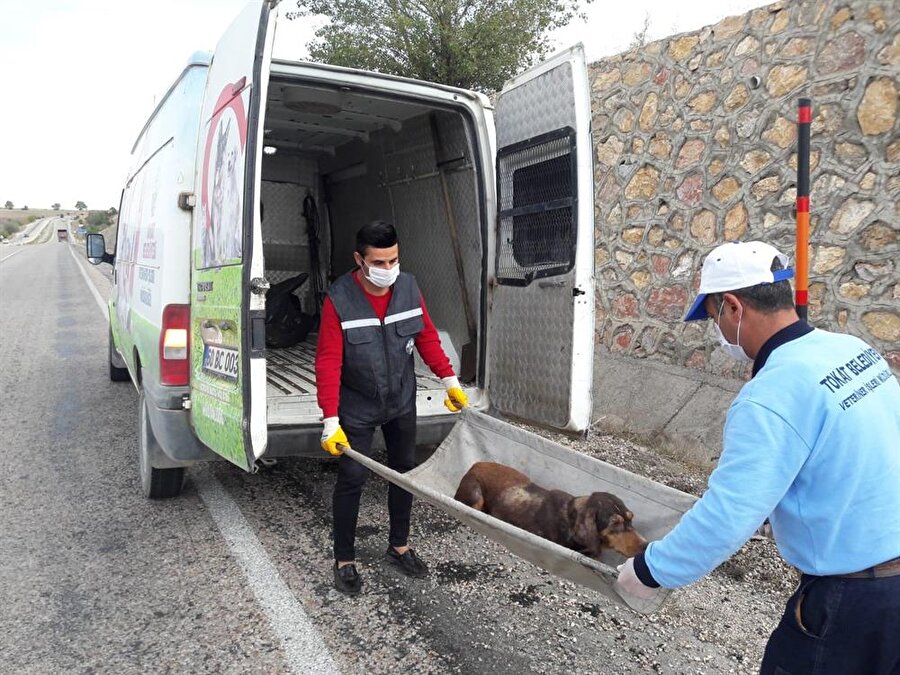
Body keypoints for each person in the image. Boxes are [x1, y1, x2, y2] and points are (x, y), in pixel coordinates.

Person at [615, 240, 900, 673]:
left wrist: (650, 570)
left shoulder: (770, 394)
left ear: (733, 307)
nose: (721, 332)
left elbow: (729, 514)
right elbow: (859, 449)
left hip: (855, 602)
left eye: (713, 317)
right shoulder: (852, 351)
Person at [315, 220, 469, 595]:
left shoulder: (409, 288)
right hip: (358, 406)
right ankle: (345, 560)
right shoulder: (339, 299)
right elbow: (329, 360)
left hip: (401, 400)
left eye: (393, 260)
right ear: (359, 260)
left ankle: (399, 546)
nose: (388, 270)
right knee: (351, 480)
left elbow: (426, 336)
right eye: (379, 263)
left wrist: (450, 381)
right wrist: (330, 420)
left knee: (405, 472)